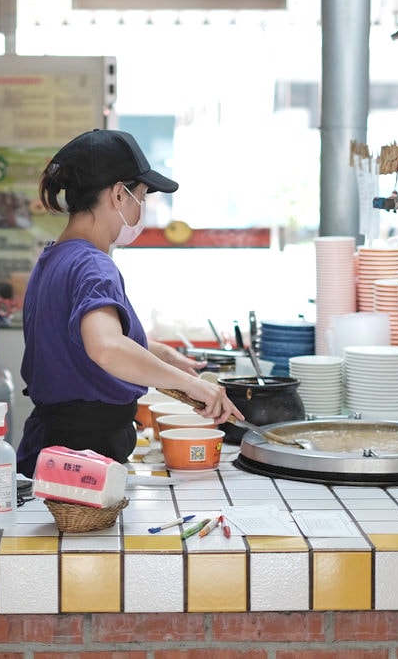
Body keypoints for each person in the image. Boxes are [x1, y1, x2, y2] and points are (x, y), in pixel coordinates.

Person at [15, 129, 245, 476]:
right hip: (84, 452)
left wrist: (159, 354)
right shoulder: (94, 265)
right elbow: (105, 346)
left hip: (52, 444)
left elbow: (77, 334)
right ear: (119, 195)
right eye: (142, 196)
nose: (143, 208)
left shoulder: (56, 258)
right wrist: (192, 385)